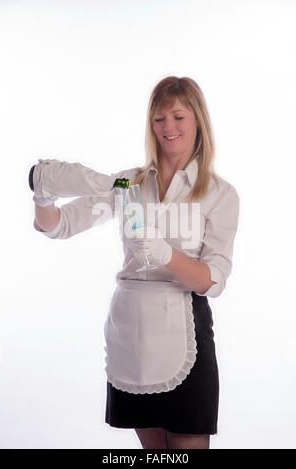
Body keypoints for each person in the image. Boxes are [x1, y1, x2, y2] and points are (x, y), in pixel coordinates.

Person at [30, 76, 240, 450]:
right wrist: (43, 198)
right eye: (159, 119)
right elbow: (62, 225)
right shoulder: (128, 184)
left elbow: (214, 280)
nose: (168, 128)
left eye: (178, 116)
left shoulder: (219, 194)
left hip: (185, 326)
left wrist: (163, 253)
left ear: (198, 121)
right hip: (132, 332)